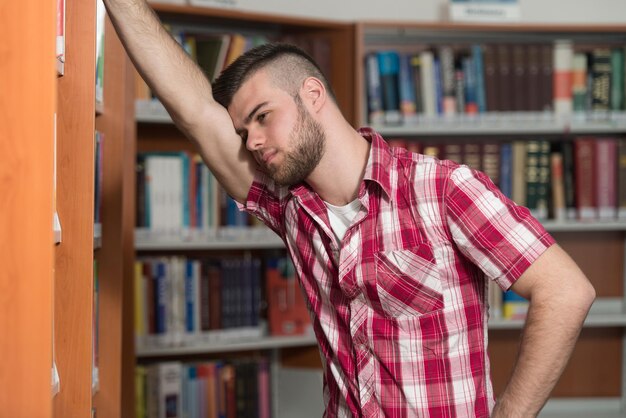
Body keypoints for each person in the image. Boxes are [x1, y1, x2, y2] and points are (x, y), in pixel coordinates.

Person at [104, 1, 596, 416]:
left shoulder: (442, 187)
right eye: (242, 131)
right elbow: (194, 112)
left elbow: (566, 290)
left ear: (312, 95)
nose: (251, 141)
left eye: (262, 117)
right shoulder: (289, 206)